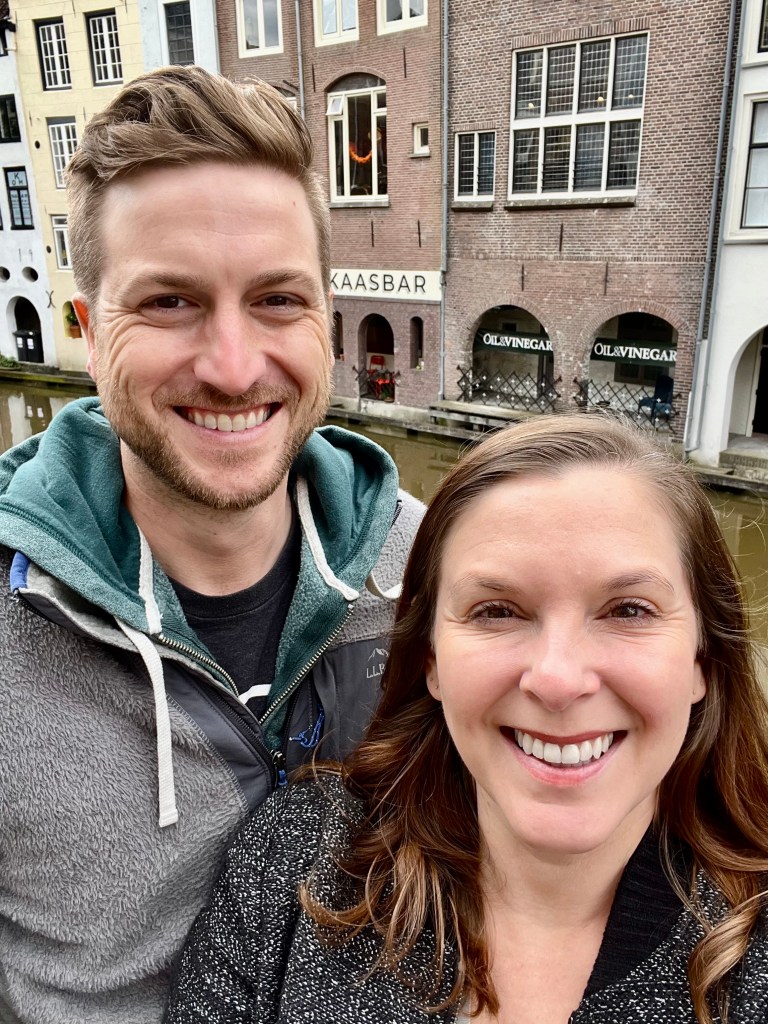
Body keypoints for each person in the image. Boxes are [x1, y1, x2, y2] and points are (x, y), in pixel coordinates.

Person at [0, 67, 423, 1023]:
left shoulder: (440, 574)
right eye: (169, 302)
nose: (233, 368)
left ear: (326, 318)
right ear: (87, 329)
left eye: (277, 300)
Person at [167, 415, 768, 1024]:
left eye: (629, 611)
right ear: (430, 658)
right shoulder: (298, 852)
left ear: (703, 658)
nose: (558, 680)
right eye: (497, 611)